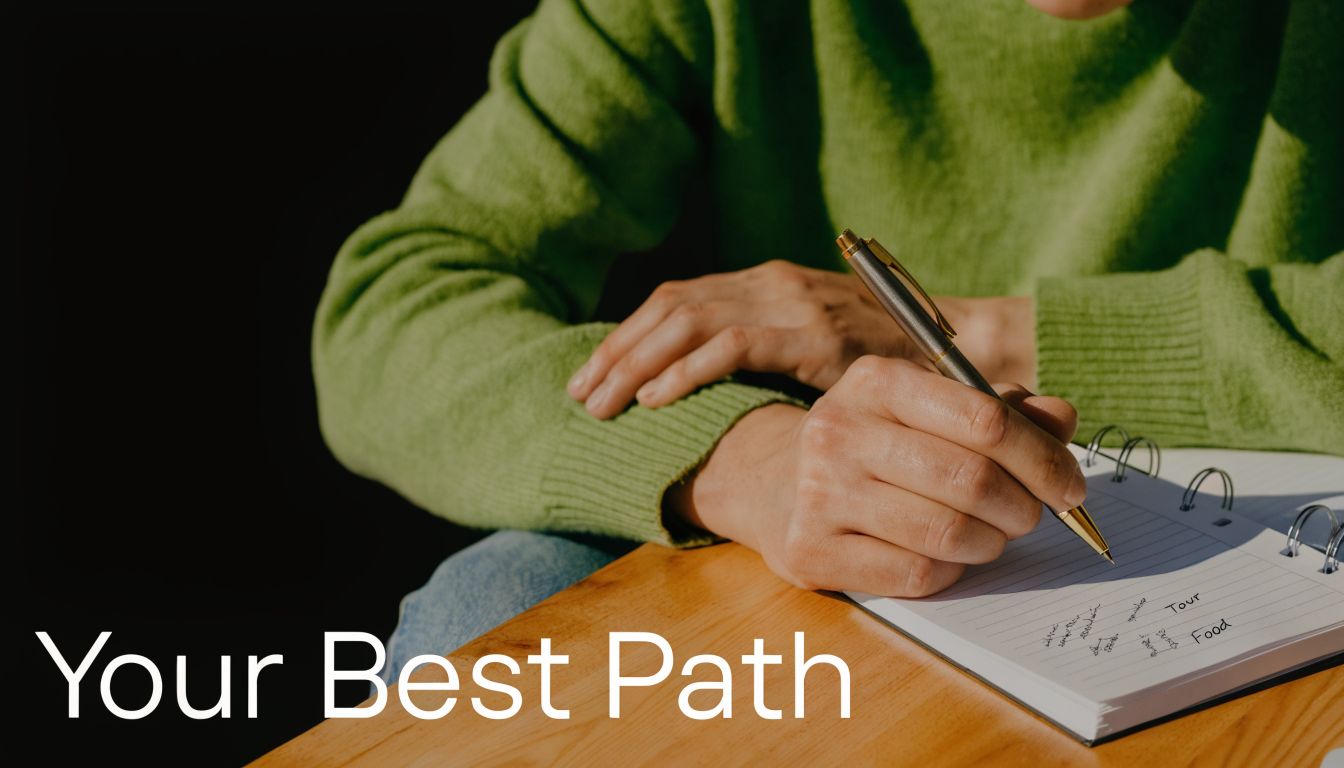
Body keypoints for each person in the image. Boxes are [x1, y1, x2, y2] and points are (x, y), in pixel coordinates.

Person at [310, 0, 1343, 683]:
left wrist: (980, 332)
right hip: (828, 539)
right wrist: (747, 460)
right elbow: (395, 310)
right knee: (491, 614)